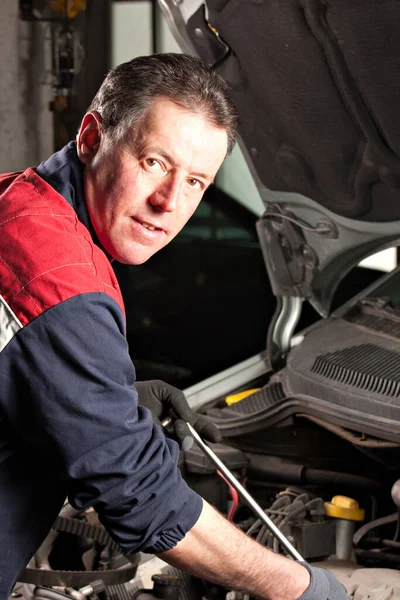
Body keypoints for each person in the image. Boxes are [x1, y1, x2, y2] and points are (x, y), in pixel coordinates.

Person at [0, 53, 348, 600]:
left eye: (196, 182)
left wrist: (106, 399)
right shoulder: (62, 283)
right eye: (155, 163)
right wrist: (302, 588)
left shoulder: (18, 203)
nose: (169, 204)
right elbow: (138, 496)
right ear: (92, 137)